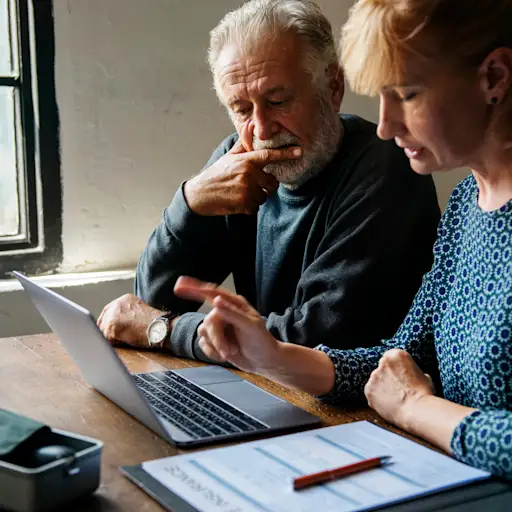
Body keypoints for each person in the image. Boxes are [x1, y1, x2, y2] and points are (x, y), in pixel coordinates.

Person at [173, 0, 512, 478]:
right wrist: (271, 357)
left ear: (494, 77)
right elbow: (402, 356)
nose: (386, 125)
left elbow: (407, 393)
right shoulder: (466, 205)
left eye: (408, 94)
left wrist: (417, 408)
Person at [98, 0, 439, 362]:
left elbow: (315, 340)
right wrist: (190, 200)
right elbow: (152, 299)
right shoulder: (238, 159)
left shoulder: (386, 168)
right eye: (241, 109)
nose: (261, 129)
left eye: (277, 101)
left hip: (359, 406)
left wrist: (165, 331)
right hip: (270, 389)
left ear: (333, 87)